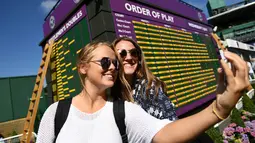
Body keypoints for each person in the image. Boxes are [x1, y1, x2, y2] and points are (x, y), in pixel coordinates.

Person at [37, 40, 249, 143]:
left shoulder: (124, 110)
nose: (112, 66)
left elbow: (166, 133)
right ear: (82, 67)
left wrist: (219, 108)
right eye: (105, 61)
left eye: (114, 63)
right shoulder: (56, 113)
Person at [113, 37, 178, 121]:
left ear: (139, 59)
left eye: (134, 53)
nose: (129, 58)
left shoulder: (149, 88)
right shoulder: (111, 91)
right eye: (122, 53)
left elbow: (172, 123)